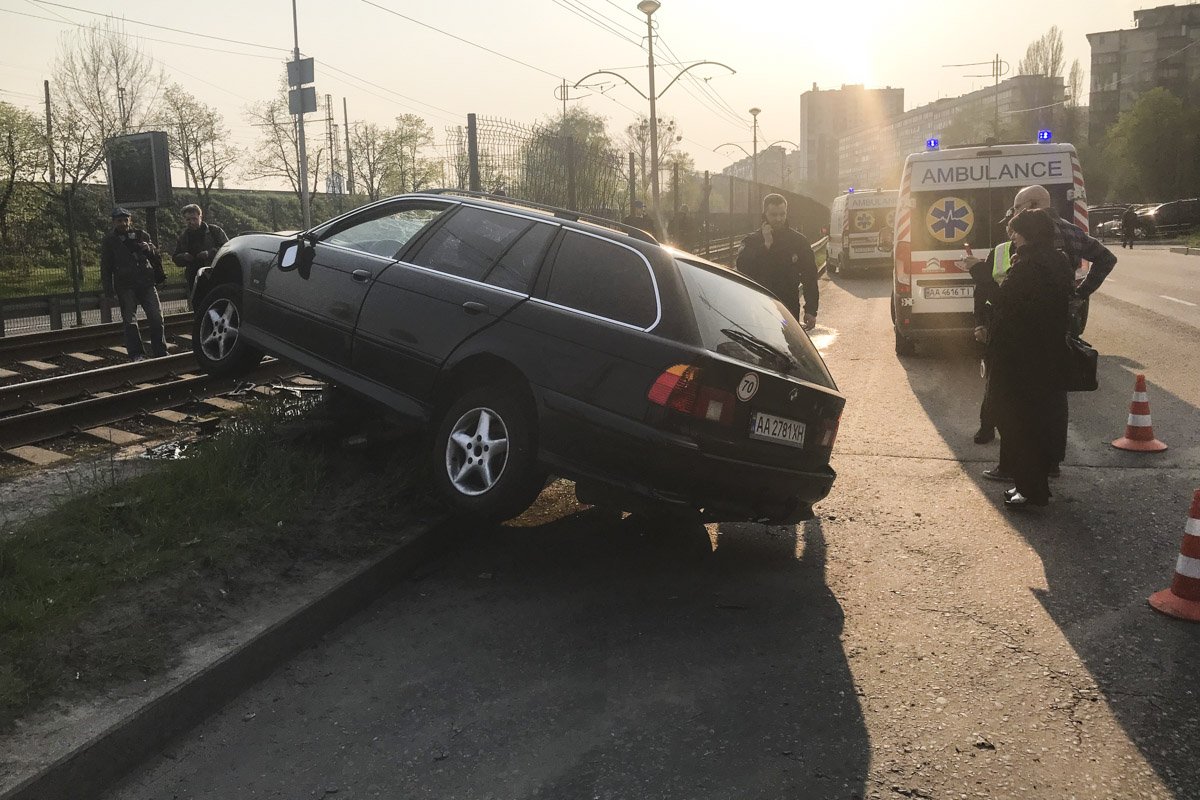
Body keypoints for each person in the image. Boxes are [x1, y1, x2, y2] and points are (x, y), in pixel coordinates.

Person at [974, 183, 1117, 467]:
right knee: (1053, 392)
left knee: (1020, 394)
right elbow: (1105, 258)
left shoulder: (1036, 240)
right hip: (1058, 321)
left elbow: (1011, 294)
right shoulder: (1068, 231)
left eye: (1016, 208)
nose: (1012, 217)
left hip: (1026, 327)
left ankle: (1023, 466)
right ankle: (1049, 459)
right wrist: (1078, 295)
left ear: (1031, 206)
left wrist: (1080, 293)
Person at [985, 208, 1075, 508]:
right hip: (1046, 356)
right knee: (1037, 421)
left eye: (1017, 232)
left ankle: (1031, 489)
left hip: (1021, 358)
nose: (1013, 238)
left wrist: (978, 272)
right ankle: (1031, 485)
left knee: (1017, 422)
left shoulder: (1029, 268)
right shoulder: (1058, 261)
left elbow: (1005, 302)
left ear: (1030, 235)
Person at [735, 193, 819, 330]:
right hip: (758, 306)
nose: (779, 219)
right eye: (774, 215)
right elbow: (742, 267)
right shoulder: (752, 241)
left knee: (787, 346)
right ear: (765, 215)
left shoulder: (798, 241)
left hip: (788, 307)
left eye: (782, 214)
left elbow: (809, 276)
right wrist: (766, 245)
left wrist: (811, 310)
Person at [100, 207, 168, 361]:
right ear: (113, 222)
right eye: (120, 221)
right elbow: (106, 266)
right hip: (125, 284)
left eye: (126, 220)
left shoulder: (141, 235)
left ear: (130, 220)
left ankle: (160, 351)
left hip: (146, 281)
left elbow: (156, 255)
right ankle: (136, 353)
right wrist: (108, 290)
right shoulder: (110, 240)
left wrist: (148, 248)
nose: (123, 223)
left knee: (156, 316)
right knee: (130, 321)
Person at [172, 203, 229, 296]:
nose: (192, 222)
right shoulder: (183, 237)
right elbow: (175, 257)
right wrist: (184, 257)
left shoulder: (214, 231)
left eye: (194, 219)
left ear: (200, 217)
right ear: (184, 220)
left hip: (214, 275)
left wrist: (209, 253)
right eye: (188, 220)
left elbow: (227, 249)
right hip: (194, 278)